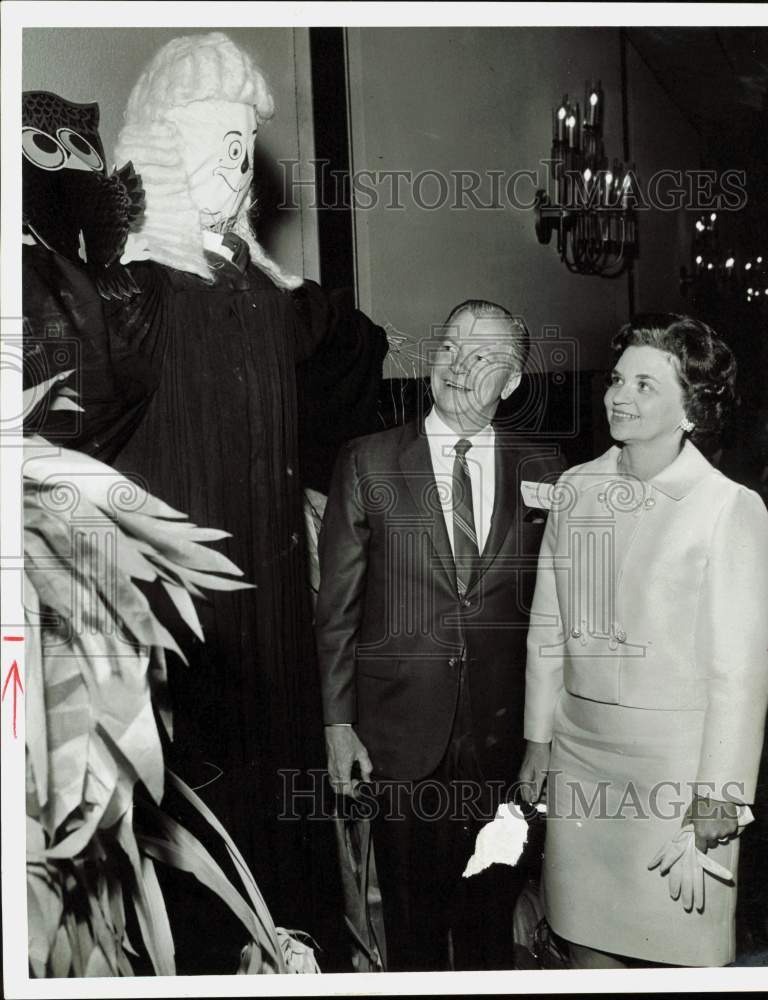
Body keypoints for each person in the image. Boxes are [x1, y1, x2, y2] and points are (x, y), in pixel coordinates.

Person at [22, 32, 387, 969]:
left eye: (244, 147)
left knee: (282, 852)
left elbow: (354, 347)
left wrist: (271, 270)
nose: (239, 168)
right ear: (166, 151)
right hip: (182, 636)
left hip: (272, 630)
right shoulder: (134, 299)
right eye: (219, 143)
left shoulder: (265, 302)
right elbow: (56, 396)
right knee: (199, 861)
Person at [316, 300, 564, 970]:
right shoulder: (368, 462)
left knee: (490, 918)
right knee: (412, 926)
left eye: (483, 356)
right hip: (399, 734)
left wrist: (546, 735)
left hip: (502, 738)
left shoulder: (543, 469)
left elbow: (558, 611)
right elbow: (337, 606)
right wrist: (339, 724)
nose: (459, 365)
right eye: (451, 347)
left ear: (511, 383)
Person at [518, 313, 768, 968]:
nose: (619, 397)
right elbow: (548, 624)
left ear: (692, 407)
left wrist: (723, 789)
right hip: (579, 763)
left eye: (645, 385)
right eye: (616, 379)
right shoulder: (575, 490)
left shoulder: (728, 508)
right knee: (581, 944)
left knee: (681, 956)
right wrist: (537, 740)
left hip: (678, 775)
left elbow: (740, 672)